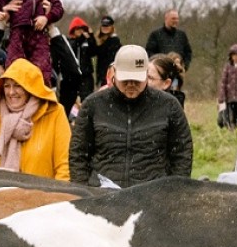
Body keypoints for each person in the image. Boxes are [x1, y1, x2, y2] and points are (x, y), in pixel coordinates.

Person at [68, 45, 192, 187]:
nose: (131, 85)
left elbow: (182, 153)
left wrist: (174, 190)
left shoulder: (169, 106)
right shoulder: (93, 105)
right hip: (101, 193)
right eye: (125, 80)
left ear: (146, 75)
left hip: (154, 193)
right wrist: (83, 189)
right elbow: (78, 153)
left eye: (137, 80)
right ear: (114, 74)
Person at [0, 59, 70, 180]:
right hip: (2, 190)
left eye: (18, 85)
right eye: (7, 86)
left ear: (31, 88)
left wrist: (60, 191)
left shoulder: (54, 112)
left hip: (41, 191)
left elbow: (64, 165)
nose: (11, 92)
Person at [145, 9, 194, 78]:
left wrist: (184, 66)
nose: (176, 21)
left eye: (177, 19)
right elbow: (149, 52)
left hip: (178, 74)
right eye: (173, 18)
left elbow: (188, 53)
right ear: (166, 19)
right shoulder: (156, 34)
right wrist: (160, 65)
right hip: (161, 73)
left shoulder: (182, 35)